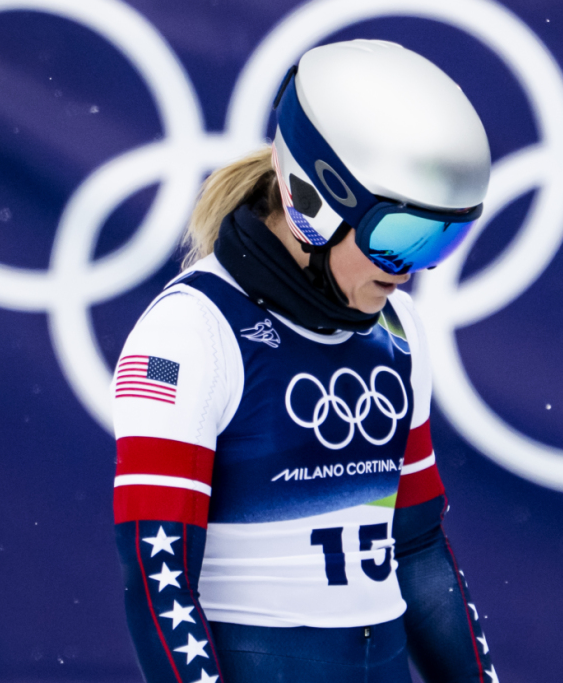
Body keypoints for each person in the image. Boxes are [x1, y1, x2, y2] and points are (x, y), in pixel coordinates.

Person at [112, 39, 498, 683]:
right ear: (310, 202)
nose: (411, 271)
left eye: (442, 240)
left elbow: (417, 548)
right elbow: (160, 578)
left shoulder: (399, 330)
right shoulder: (189, 332)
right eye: (399, 237)